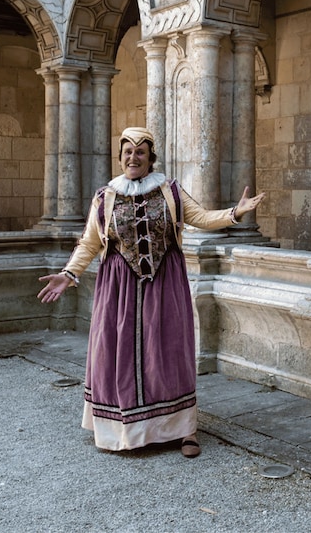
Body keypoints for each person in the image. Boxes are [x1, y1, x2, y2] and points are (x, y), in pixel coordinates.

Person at [38, 126, 265, 458]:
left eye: (140, 152)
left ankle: (184, 430)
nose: (133, 157)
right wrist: (68, 274)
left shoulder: (169, 191)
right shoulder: (105, 197)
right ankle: (124, 430)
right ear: (120, 157)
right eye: (128, 152)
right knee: (119, 352)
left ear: (150, 156)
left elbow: (200, 217)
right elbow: (89, 243)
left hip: (165, 281)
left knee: (169, 350)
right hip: (118, 285)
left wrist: (235, 213)